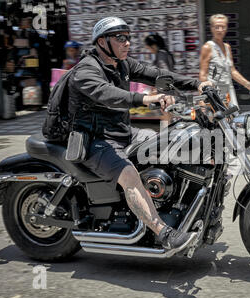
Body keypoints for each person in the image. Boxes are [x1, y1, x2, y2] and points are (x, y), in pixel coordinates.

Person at [67, 17, 213, 250]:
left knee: (166, 145)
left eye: (128, 38)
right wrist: (146, 99)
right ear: (102, 42)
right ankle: (163, 232)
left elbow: (157, 74)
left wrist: (197, 85)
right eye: (120, 38)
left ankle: (171, 203)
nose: (127, 43)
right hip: (94, 138)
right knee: (129, 176)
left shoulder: (122, 64)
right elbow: (108, 94)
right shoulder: (86, 69)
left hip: (122, 132)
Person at [199, 14, 250, 106]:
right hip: (213, 92)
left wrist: (248, 85)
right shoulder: (207, 47)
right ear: (211, 28)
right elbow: (203, 75)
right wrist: (205, 97)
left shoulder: (227, 47)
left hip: (227, 90)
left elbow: (232, 71)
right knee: (217, 119)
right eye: (217, 27)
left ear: (226, 28)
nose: (220, 30)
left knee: (230, 118)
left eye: (223, 27)